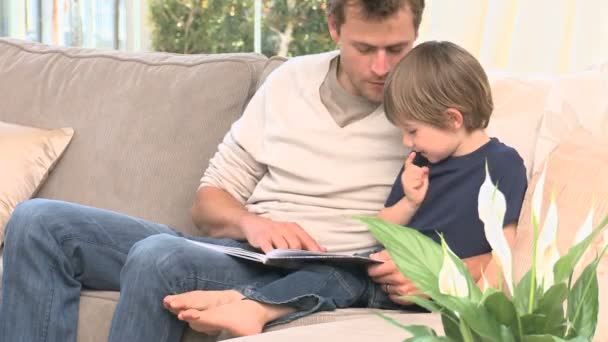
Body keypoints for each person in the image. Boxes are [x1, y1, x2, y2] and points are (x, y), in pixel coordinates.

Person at [0, 1, 480, 341]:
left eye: (396, 49)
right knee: (38, 221)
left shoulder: (431, 108)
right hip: (241, 251)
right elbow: (208, 204)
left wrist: (432, 274)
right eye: (364, 48)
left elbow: (475, 219)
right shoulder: (288, 82)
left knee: (158, 257)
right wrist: (256, 224)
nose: (382, 67)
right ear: (333, 27)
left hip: (325, 272)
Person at [377, 41, 527, 290]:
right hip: (386, 279)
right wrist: (410, 202)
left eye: (412, 131)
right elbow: (381, 230)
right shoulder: (421, 162)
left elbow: (505, 247)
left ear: (452, 119)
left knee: (328, 281)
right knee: (325, 276)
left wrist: (479, 309)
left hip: (434, 289)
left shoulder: (504, 164)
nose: (406, 142)